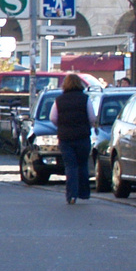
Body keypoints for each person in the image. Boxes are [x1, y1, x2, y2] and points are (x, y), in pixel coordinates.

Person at [49, 72, 97, 204]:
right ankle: (84, 192)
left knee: (70, 166)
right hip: (82, 136)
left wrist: (61, 125)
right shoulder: (85, 99)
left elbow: (53, 117)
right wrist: (89, 126)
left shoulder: (59, 100)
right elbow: (92, 117)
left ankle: (71, 194)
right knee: (82, 164)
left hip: (65, 137)